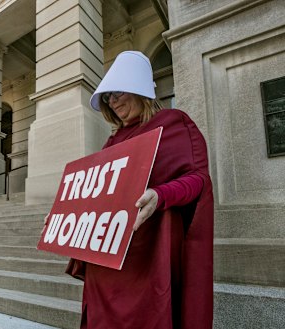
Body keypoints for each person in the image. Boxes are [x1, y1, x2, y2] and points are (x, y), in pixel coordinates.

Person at [65, 51, 214, 329]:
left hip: (149, 260)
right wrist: (65, 218)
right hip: (107, 261)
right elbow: (96, 195)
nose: (114, 101)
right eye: (109, 97)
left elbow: (198, 180)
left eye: (119, 92)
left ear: (139, 88)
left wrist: (161, 195)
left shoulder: (173, 122)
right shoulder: (111, 142)